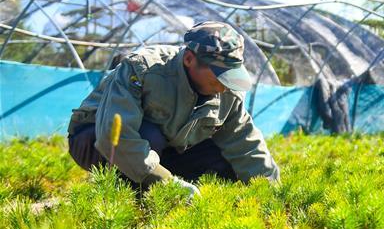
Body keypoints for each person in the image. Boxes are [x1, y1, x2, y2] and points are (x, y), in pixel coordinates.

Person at [67, 21, 280, 197]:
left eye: (231, 75)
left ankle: (176, 198)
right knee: (149, 135)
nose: (225, 84)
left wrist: (272, 195)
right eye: (219, 74)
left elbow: (246, 145)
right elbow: (114, 136)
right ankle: (130, 199)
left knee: (223, 159)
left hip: (167, 148)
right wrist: (168, 185)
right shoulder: (143, 69)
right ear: (189, 59)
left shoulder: (227, 93)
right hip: (95, 142)